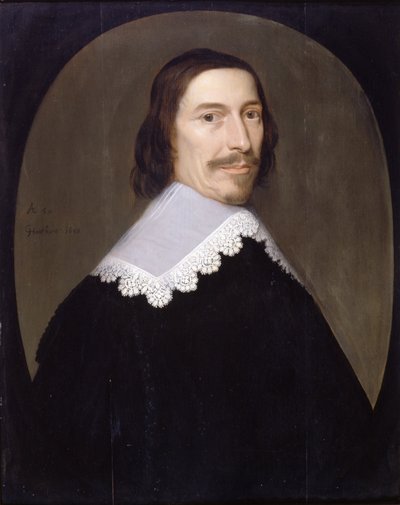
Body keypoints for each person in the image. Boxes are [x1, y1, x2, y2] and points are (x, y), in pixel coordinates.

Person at [31, 48, 379, 504]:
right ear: (166, 136)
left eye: (251, 115)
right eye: (211, 118)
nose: (241, 141)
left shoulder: (99, 290)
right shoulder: (245, 266)